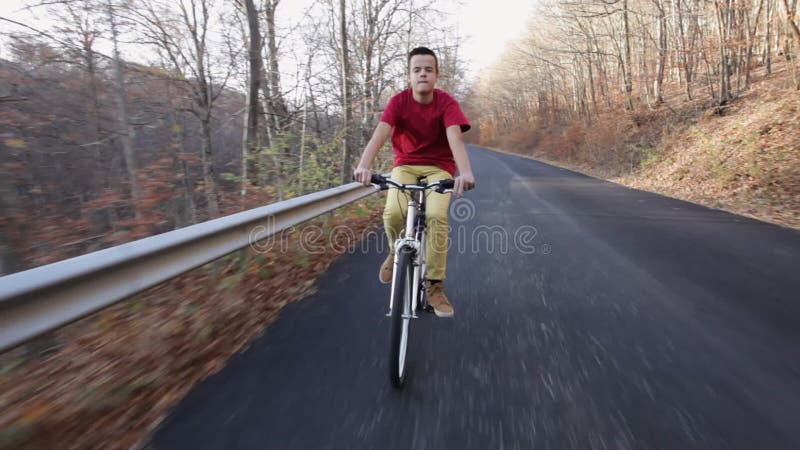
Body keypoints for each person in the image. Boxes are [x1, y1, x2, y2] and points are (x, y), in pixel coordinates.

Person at [353, 46, 476, 318]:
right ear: (409, 75)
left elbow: (455, 137)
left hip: (439, 168)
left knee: (435, 215)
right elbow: (380, 134)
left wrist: (465, 173)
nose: (423, 73)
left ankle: (435, 285)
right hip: (405, 166)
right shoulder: (398, 102)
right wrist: (364, 165)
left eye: (428, 70)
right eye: (417, 69)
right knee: (394, 212)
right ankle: (395, 253)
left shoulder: (446, 103)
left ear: (436, 75)